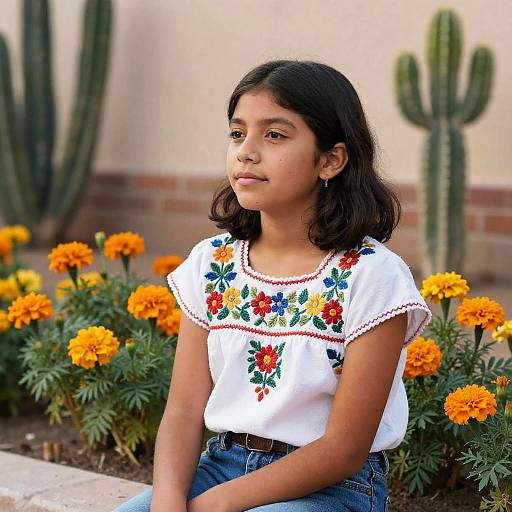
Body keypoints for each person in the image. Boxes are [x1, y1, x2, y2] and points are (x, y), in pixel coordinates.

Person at [113, 60, 432, 512]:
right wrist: (167, 501)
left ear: (330, 160)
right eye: (237, 133)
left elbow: (344, 449)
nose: (246, 151)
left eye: (275, 135)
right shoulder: (213, 264)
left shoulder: (372, 276)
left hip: (331, 489)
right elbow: (184, 411)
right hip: (219, 466)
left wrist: (216, 506)